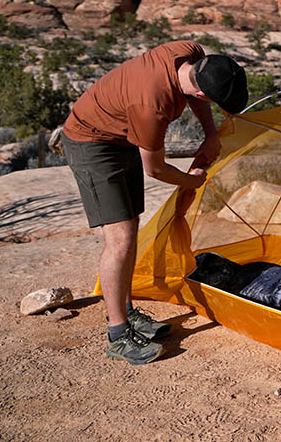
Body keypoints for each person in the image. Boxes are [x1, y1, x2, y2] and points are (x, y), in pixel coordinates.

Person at [61, 40, 248, 365]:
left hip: (120, 136)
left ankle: (126, 310)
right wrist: (194, 181)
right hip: (92, 143)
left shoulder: (191, 53)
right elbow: (156, 169)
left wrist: (210, 134)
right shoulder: (152, 105)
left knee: (131, 225)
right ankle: (118, 335)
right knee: (119, 238)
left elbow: (195, 94)